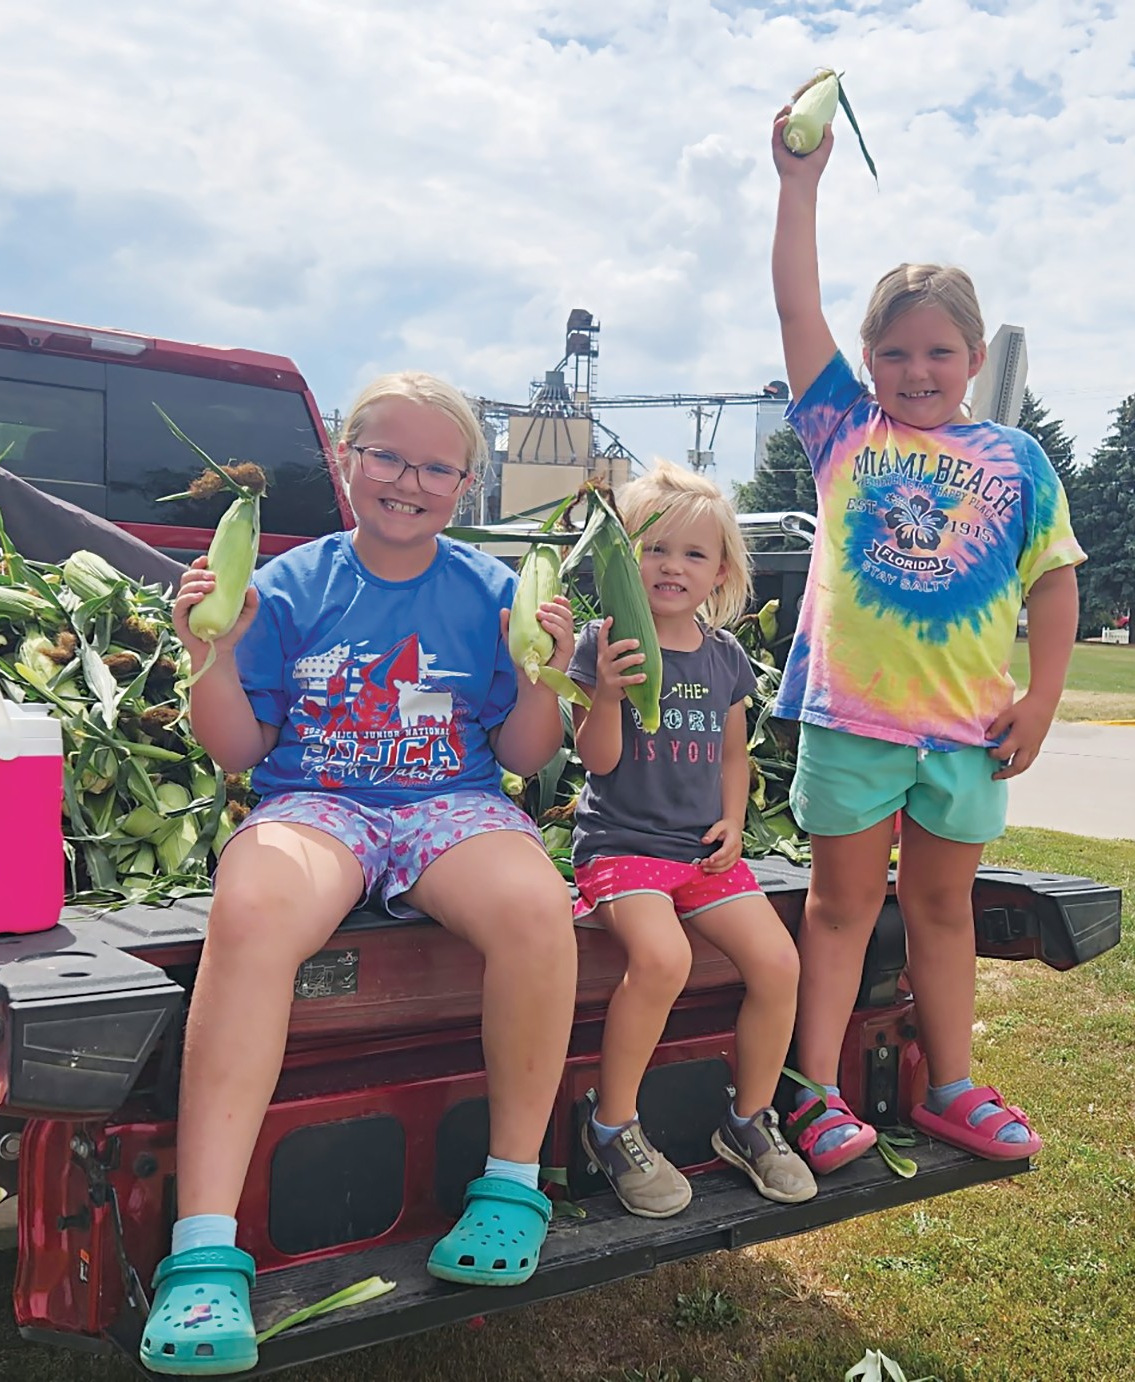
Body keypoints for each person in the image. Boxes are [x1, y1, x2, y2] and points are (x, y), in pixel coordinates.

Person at [139, 372, 579, 1375]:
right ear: (345, 459)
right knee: (249, 908)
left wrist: (548, 673)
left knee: (535, 906)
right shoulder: (289, 584)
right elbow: (239, 750)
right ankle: (204, 1249)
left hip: (448, 801)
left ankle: (512, 1185)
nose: (407, 479)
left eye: (435, 464)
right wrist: (203, 650)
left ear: (465, 484)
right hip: (318, 801)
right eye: (386, 453)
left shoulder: (493, 591)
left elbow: (520, 746)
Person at [769, 107, 1085, 1176]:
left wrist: (1039, 698)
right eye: (893, 351)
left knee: (944, 907)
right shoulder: (844, 432)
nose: (916, 368)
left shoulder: (1018, 460)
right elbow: (794, 303)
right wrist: (799, 184)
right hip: (854, 720)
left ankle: (951, 1083)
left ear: (974, 354)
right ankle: (810, 1091)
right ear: (866, 359)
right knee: (844, 906)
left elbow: (1054, 582)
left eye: (939, 351)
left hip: (964, 732)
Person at [566, 459, 816, 1218]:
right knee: (664, 956)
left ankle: (748, 1122)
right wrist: (606, 690)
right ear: (622, 561)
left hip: (699, 852)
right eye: (653, 548)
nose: (672, 566)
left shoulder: (725, 658)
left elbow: (732, 753)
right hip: (621, 846)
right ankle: (612, 1126)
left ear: (722, 572)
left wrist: (734, 822)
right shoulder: (604, 643)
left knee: (778, 961)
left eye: (694, 554)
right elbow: (598, 759)